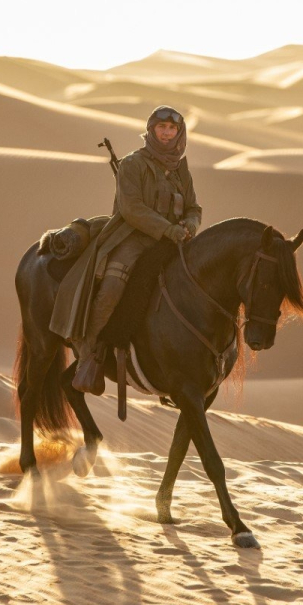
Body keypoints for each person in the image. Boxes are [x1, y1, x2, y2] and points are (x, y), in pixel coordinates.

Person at [66, 105, 202, 394]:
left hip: (174, 240)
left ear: (179, 133)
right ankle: (88, 355)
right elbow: (132, 209)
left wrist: (190, 224)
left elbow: (193, 206)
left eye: (172, 129)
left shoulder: (180, 167)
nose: (166, 134)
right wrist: (167, 229)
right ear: (151, 130)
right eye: (161, 128)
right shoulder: (132, 164)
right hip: (132, 238)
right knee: (113, 286)